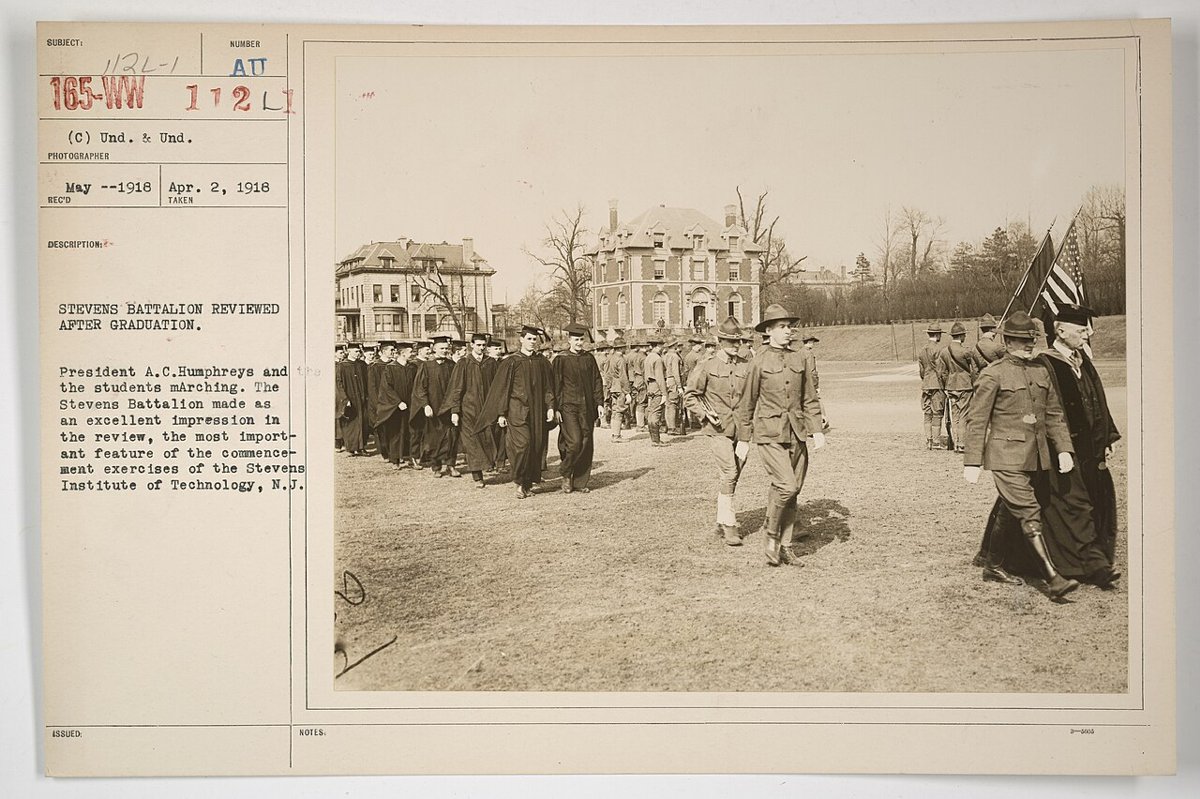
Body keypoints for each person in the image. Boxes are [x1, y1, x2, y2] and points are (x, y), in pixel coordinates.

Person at [975, 305, 1121, 588]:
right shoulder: (1044, 363)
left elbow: (1095, 399)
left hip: (1082, 449)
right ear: (1061, 330)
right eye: (1081, 330)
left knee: (1067, 504)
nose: (1087, 334)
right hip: (1051, 450)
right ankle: (1086, 566)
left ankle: (999, 559)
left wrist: (1104, 437)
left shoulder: (1081, 361)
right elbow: (1037, 412)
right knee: (1064, 507)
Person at [962, 311, 1080, 600]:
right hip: (1005, 456)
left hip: (1036, 456)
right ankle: (1053, 579)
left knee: (1008, 508)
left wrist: (1064, 449)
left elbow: (1054, 414)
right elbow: (977, 420)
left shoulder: (1041, 371)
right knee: (1028, 511)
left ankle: (992, 563)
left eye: (1032, 341)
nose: (1029, 346)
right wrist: (972, 461)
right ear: (1009, 341)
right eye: (1021, 341)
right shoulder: (993, 374)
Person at [739, 304, 826, 566]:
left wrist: (817, 430)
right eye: (782, 327)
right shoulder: (758, 362)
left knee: (793, 490)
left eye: (790, 326)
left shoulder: (800, 358)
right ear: (769, 331)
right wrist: (744, 438)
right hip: (769, 434)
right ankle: (771, 535)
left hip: (797, 433)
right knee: (786, 486)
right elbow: (747, 403)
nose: (789, 331)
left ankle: (785, 546)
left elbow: (809, 398)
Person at [684, 316, 753, 546]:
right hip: (718, 429)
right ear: (720, 341)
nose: (736, 345)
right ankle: (730, 524)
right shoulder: (707, 365)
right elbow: (690, 396)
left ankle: (721, 517)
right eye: (731, 341)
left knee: (734, 475)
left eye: (739, 341)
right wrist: (705, 414)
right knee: (730, 472)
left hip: (742, 430)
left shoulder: (746, 365)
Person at [478, 325, 557, 499]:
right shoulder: (511, 362)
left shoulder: (541, 362)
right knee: (523, 446)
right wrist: (501, 413)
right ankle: (520, 482)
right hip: (517, 411)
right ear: (521, 340)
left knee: (535, 447)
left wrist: (550, 407)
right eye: (528, 338)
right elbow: (503, 389)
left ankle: (527, 483)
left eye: (534, 339)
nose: (532, 342)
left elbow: (548, 388)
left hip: (537, 411)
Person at [552, 323, 606, 493]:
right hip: (568, 406)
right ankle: (566, 473)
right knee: (574, 442)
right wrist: (555, 408)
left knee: (586, 441)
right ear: (569, 340)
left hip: (586, 407)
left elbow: (597, 381)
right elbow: (555, 386)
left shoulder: (588, 358)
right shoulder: (561, 359)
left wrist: (599, 403)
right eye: (576, 339)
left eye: (581, 339)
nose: (579, 343)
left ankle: (580, 482)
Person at [447, 332, 496, 488]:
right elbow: (456, 388)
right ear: (472, 345)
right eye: (478, 345)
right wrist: (455, 411)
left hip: (487, 409)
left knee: (487, 438)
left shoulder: (491, 363)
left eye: (484, 345)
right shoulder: (464, 363)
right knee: (472, 442)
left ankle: (488, 465)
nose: (481, 348)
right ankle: (477, 476)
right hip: (469, 409)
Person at [411, 333, 460, 478]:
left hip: (449, 407)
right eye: (441, 348)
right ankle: (436, 466)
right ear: (434, 349)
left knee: (452, 436)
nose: (444, 351)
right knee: (434, 438)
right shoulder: (426, 366)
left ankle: (451, 465)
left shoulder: (453, 365)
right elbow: (420, 388)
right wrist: (425, 405)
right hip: (433, 407)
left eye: (446, 348)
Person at [938, 322, 977, 454]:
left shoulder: (944, 352)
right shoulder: (966, 351)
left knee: (955, 416)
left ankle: (955, 443)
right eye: (964, 335)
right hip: (965, 386)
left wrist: (945, 386)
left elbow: (942, 372)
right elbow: (974, 370)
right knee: (964, 414)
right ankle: (962, 444)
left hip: (951, 386)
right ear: (961, 336)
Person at [375, 340, 414, 469]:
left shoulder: (412, 368)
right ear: (402, 353)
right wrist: (398, 402)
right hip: (395, 407)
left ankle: (410, 458)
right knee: (396, 433)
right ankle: (395, 460)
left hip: (410, 404)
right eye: (410, 352)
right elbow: (386, 388)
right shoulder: (390, 368)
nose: (412, 354)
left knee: (410, 431)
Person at [335, 341, 370, 456]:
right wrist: (345, 399)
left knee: (363, 423)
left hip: (362, 398)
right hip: (350, 399)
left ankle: (362, 447)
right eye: (355, 351)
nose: (358, 353)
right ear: (348, 351)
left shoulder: (362, 365)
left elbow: (367, 381)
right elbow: (339, 383)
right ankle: (351, 448)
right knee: (351, 423)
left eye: (359, 351)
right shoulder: (342, 366)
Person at [917, 322, 947, 450]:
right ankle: (936, 442)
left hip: (926, 384)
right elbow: (941, 370)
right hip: (937, 384)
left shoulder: (922, 350)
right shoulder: (939, 349)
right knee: (938, 413)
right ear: (937, 334)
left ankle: (928, 440)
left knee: (927, 413)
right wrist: (945, 384)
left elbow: (922, 371)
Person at [799, 332, 830, 431]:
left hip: (801, 381)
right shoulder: (809, 354)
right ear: (809, 342)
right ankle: (823, 420)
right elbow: (812, 371)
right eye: (812, 342)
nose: (813, 344)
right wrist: (816, 385)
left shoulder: (799, 352)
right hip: (810, 382)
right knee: (815, 402)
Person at [368, 341, 393, 461]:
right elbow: (372, 388)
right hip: (380, 403)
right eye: (391, 350)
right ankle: (385, 452)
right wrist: (376, 403)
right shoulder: (375, 367)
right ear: (383, 351)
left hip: (392, 403)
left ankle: (393, 451)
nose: (393, 352)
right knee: (382, 429)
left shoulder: (394, 365)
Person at [604, 337, 631, 442]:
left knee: (615, 410)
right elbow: (623, 377)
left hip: (613, 387)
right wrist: (627, 392)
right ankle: (617, 435)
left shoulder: (610, 358)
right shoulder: (621, 359)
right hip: (620, 388)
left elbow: (607, 374)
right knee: (620, 411)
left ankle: (614, 433)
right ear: (622, 347)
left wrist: (609, 386)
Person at [643, 334, 668, 446]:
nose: (663, 347)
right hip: (657, 386)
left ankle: (653, 438)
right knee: (656, 413)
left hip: (650, 386)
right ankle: (656, 440)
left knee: (651, 412)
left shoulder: (647, 357)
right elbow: (660, 377)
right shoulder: (658, 359)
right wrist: (664, 393)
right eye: (661, 345)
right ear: (657, 346)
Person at [663, 337, 684, 435]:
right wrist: (679, 386)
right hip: (673, 380)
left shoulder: (665, 355)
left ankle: (668, 426)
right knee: (673, 404)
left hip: (667, 380)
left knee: (668, 404)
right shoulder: (675, 356)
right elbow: (676, 372)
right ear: (675, 345)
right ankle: (672, 428)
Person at [334, 344, 346, 452]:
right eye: (340, 352)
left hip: (341, 393)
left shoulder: (342, 365)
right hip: (334, 392)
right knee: (336, 417)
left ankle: (342, 440)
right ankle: (337, 442)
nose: (343, 354)